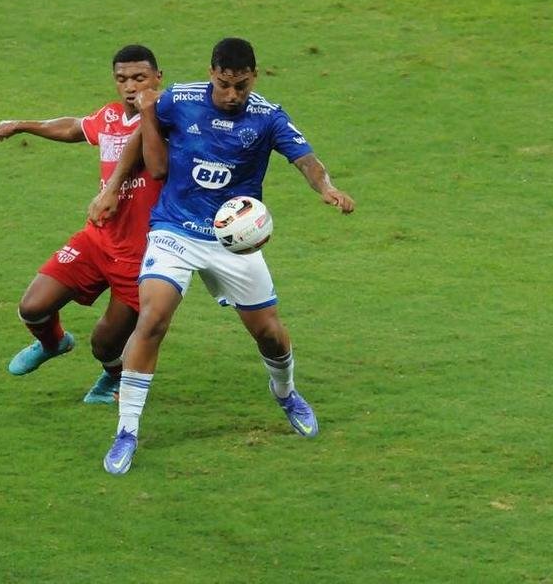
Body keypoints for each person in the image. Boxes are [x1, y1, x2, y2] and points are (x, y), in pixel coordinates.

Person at [90, 37, 355, 475]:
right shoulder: (181, 99)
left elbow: (305, 159)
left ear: (255, 76)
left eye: (242, 86)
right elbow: (139, 140)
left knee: (269, 333)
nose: (232, 96)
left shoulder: (268, 116)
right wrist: (112, 188)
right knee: (152, 318)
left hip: (233, 239)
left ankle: (286, 393)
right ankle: (127, 430)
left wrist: (326, 187)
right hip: (175, 228)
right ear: (212, 72)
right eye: (225, 84)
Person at [0, 44, 165, 404]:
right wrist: (22, 125)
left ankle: (113, 378)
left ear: (158, 78)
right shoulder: (111, 116)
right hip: (98, 239)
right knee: (33, 307)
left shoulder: (172, 121)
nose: (130, 86)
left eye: (139, 78)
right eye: (122, 79)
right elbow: (74, 127)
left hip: (140, 256)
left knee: (105, 343)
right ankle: (53, 343)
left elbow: (155, 162)